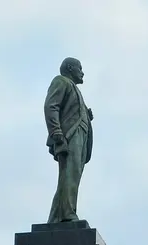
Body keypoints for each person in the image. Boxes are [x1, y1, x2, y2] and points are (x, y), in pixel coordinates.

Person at [44, 58, 93, 223]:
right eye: (80, 68)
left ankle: (56, 218)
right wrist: (56, 131)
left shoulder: (74, 89)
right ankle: (67, 214)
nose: (82, 73)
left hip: (81, 136)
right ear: (70, 68)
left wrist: (87, 115)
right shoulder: (61, 81)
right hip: (70, 135)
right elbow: (51, 106)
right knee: (69, 175)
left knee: (71, 177)